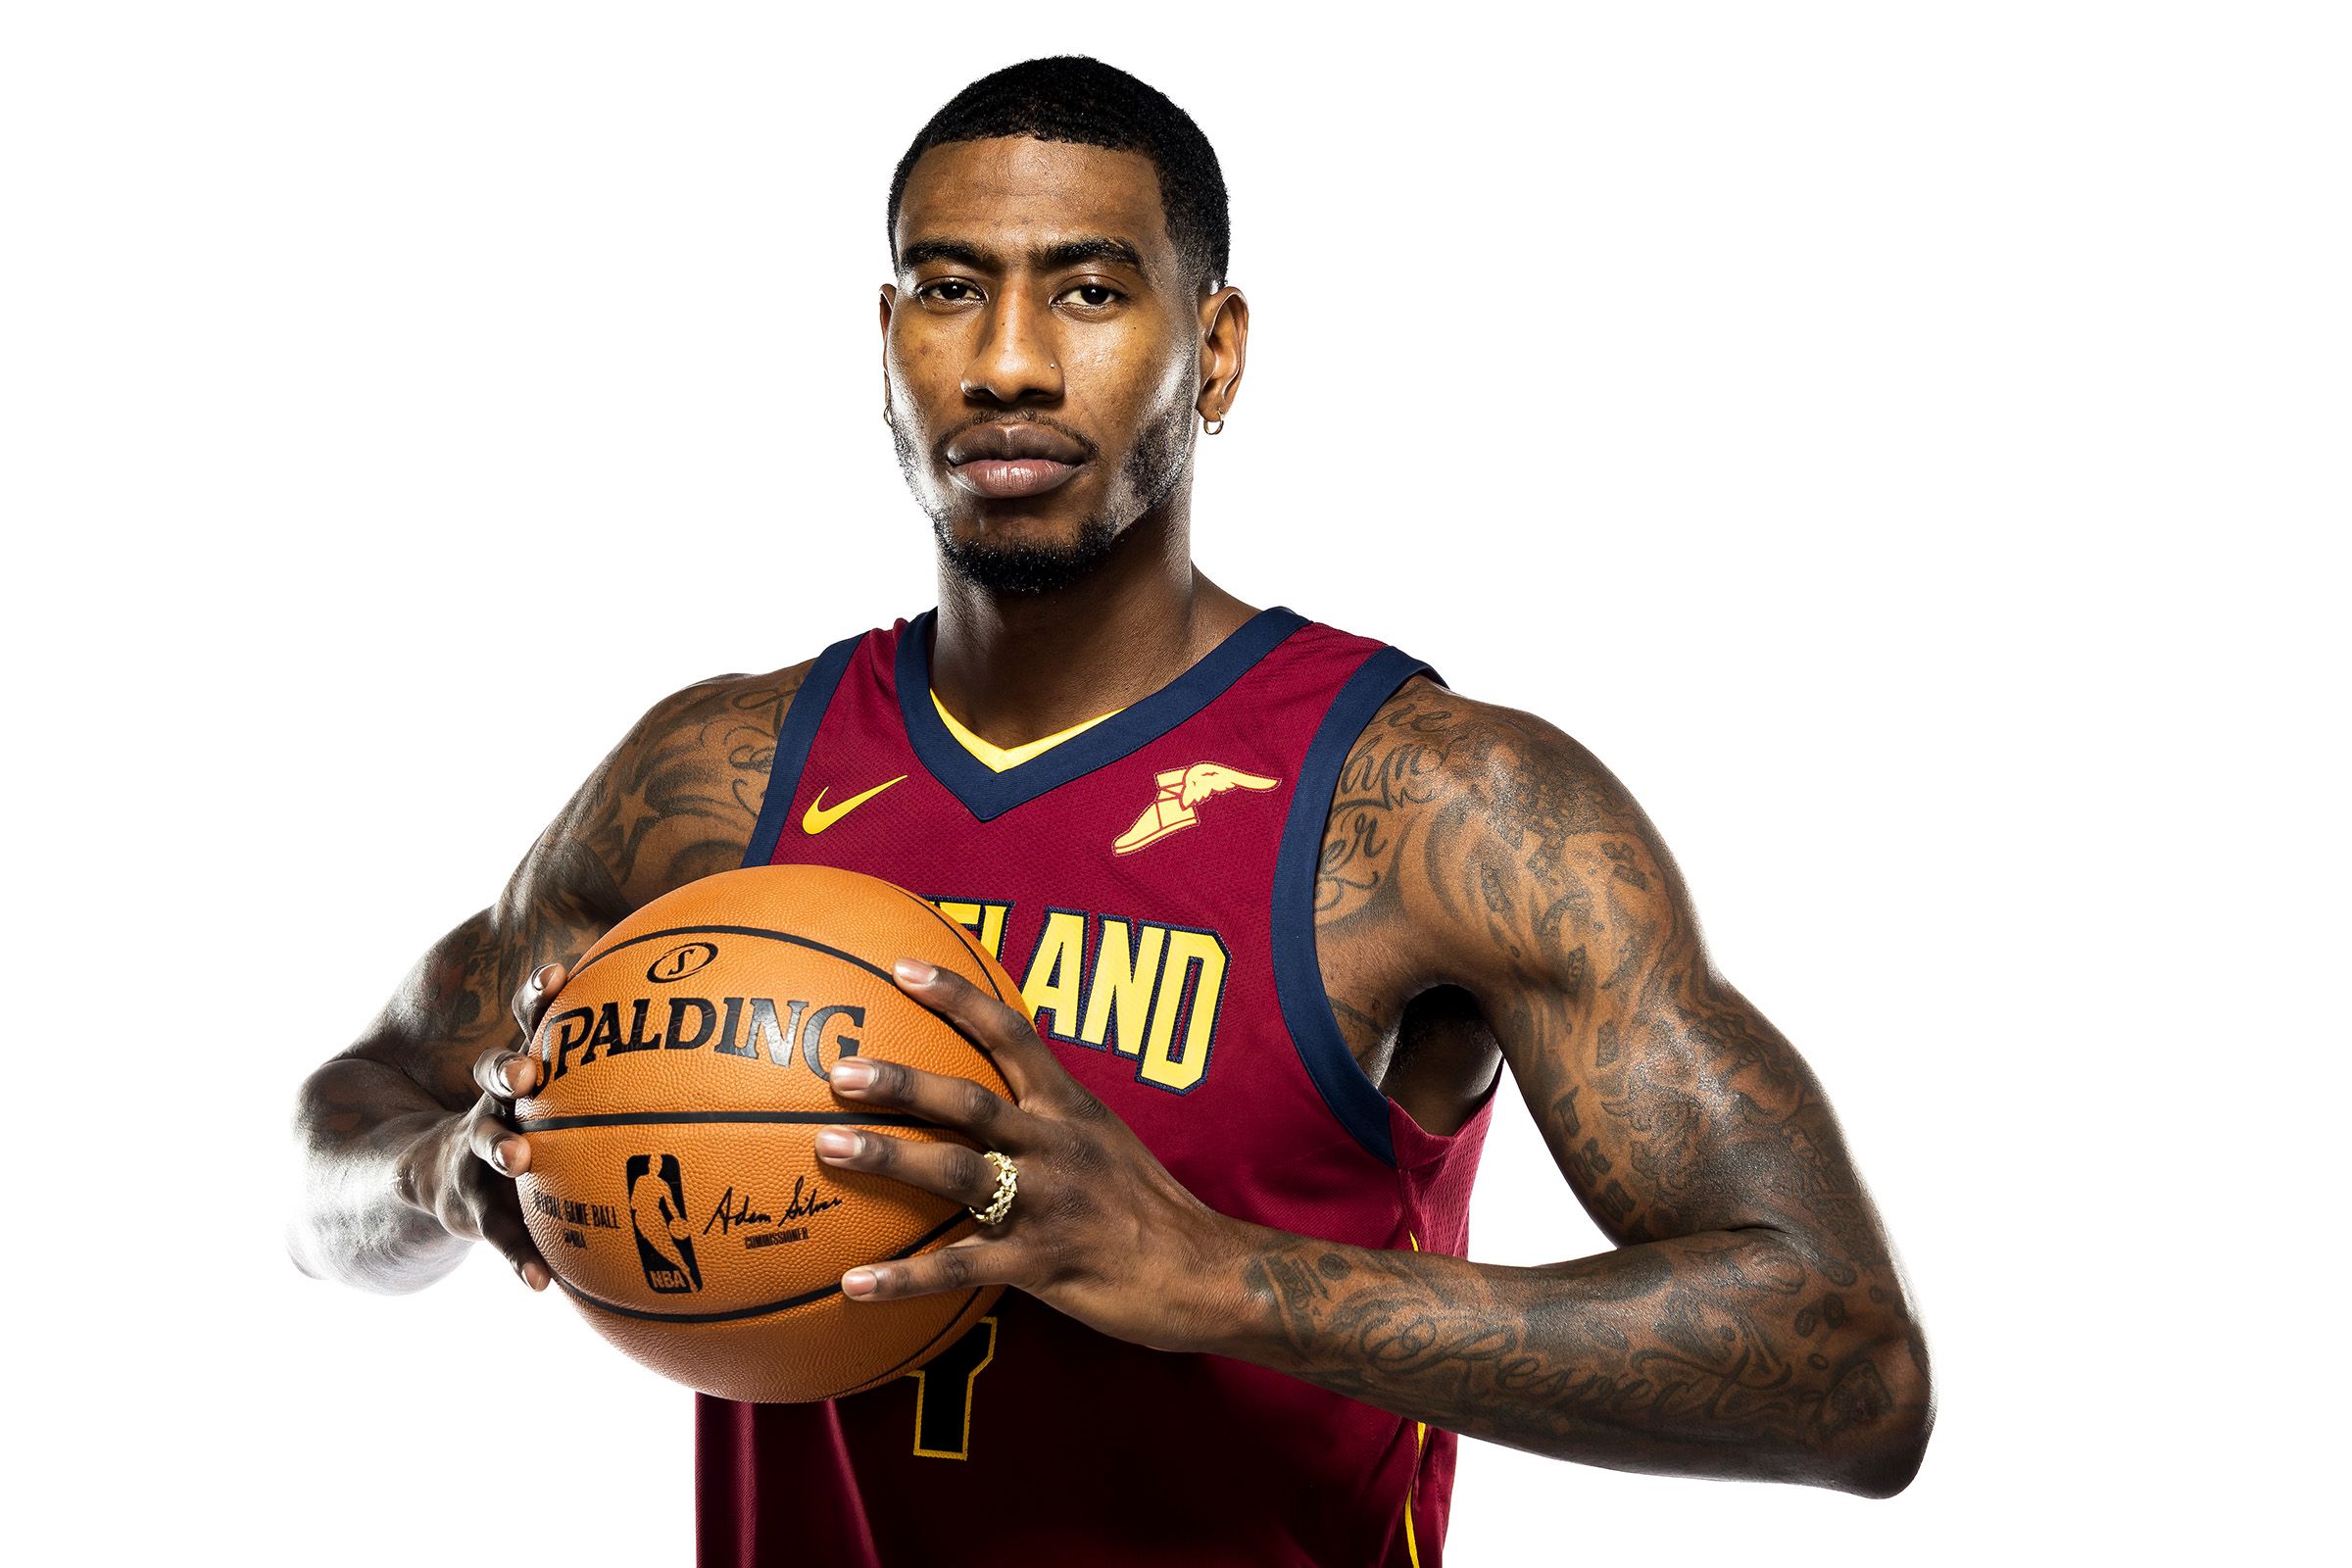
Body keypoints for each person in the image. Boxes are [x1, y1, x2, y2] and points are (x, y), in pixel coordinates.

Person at [287, 53, 1933, 1567]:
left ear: (1214, 352)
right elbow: (336, 1150)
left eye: (1088, 291)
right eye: (951, 291)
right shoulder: (713, 787)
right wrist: (451, 1174)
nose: (1007, 363)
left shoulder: (1439, 811)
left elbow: (1852, 1374)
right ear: (885, 344)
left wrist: (1214, 1274)